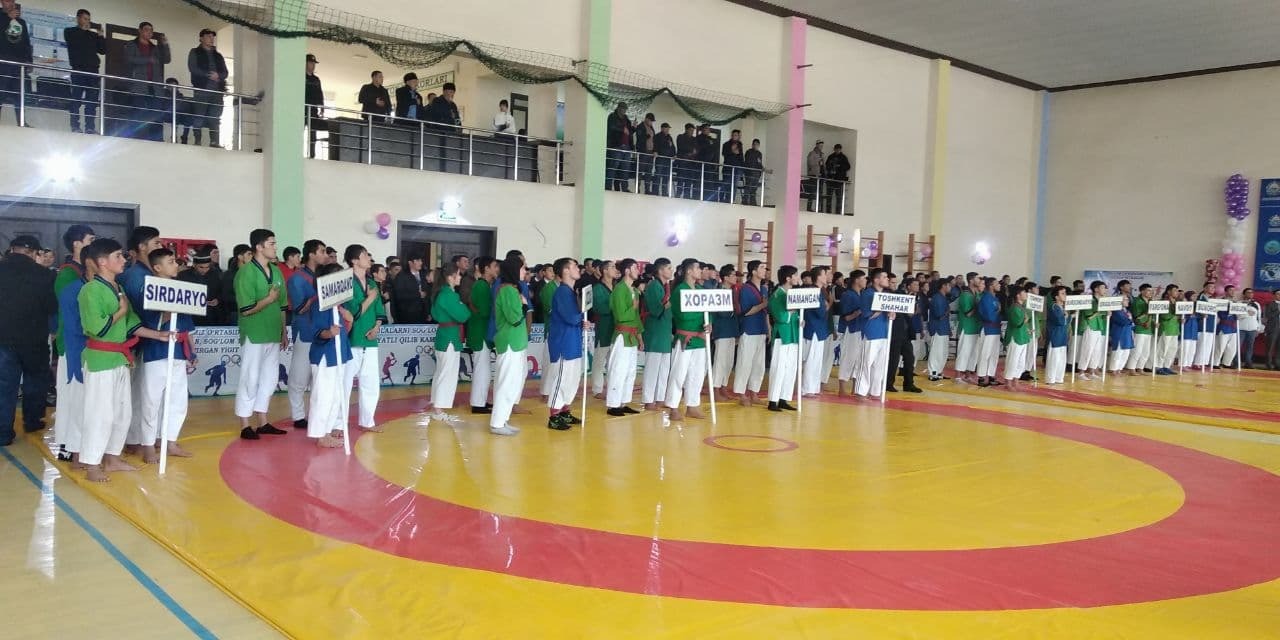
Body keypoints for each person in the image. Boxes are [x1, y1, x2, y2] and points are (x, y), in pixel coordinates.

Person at [77, 238, 173, 481]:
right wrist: (120, 311)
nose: (123, 260)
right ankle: (92, 464)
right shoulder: (90, 290)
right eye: (117, 256)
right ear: (102, 262)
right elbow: (97, 328)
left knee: (122, 412)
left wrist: (159, 335)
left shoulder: (118, 287)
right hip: (100, 359)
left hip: (119, 358)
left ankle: (112, 458)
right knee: (100, 413)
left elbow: (132, 325)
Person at [134, 248, 197, 462]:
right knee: (151, 400)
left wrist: (192, 351)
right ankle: (148, 445)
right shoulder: (148, 290)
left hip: (178, 351)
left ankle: (170, 441)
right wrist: (171, 310)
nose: (176, 265)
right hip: (156, 351)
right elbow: (149, 322)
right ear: (157, 267)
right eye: (171, 262)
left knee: (178, 400)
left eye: (175, 261)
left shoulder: (182, 290)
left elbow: (187, 328)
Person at [234, 229, 289, 440]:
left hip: (273, 332)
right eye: (271, 243)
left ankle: (263, 421)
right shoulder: (246, 272)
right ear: (259, 247)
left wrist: (283, 331)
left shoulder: (276, 271)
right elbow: (246, 309)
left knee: (270, 378)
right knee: (250, 378)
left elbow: (282, 305)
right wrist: (268, 299)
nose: (275, 247)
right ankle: (245, 424)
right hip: (254, 333)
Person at [0, 235, 56, 446]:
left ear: (12, 249)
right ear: (34, 253)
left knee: (4, 385)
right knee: (35, 381)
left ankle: (3, 433)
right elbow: (51, 306)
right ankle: (32, 421)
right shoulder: (44, 275)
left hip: (3, 337)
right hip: (34, 338)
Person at [304, 262, 350, 449]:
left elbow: (344, 331)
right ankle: (320, 434)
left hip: (340, 354)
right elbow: (316, 332)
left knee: (336, 395)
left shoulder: (340, 305)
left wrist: (347, 319)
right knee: (323, 396)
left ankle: (328, 430)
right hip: (325, 355)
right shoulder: (319, 305)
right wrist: (329, 333)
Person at [343, 245, 386, 431]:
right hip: (352, 338)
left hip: (370, 338)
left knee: (370, 383)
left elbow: (379, 311)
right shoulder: (345, 281)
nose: (368, 258)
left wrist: (376, 327)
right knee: (344, 383)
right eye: (364, 255)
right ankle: (338, 424)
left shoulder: (372, 283)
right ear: (354, 260)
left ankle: (367, 421)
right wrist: (369, 298)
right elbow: (352, 312)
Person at [285, 240, 324, 430]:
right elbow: (300, 308)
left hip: (324, 332)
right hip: (306, 331)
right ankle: (299, 416)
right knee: (299, 377)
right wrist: (320, 295)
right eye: (322, 251)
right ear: (311, 254)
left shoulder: (325, 276)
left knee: (320, 379)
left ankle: (318, 415)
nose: (325, 255)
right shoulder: (297, 278)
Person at [665, 259, 710, 420]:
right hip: (685, 337)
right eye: (698, 268)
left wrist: (708, 324)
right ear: (689, 271)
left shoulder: (700, 290)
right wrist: (700, 320)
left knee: (697, 373)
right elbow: (683, 315)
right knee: (679, 373)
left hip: (700, 339)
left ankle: (692, 405)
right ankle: (673, 407)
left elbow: (708, 311)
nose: (700, 271)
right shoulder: (680, 290)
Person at [489, 255, 528, 436]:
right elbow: (514, 318)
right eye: (522, 268)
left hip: (516, 342)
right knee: (506, 382)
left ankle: (503, 419)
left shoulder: (512, 290)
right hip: (510, 342)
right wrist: (524, 306)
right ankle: (497, 423)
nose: (525, 271)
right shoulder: (507, 291)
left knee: (512, 383)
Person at [546, 258, 586, 429]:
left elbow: (575, 319)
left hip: (573, 341)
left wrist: (582, 321)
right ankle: (554, 415)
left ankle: (564, 411)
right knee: (562, 378)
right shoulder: (562, 292)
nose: (578, 268)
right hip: (563, 342)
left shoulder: (571, 292)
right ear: (565, 271)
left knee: (572, 378)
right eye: (574, 266)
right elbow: (570, 317)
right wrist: (581, 316)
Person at [430, 263, 470, 412]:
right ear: (450, 277)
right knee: (447, 373)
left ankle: (437, 405)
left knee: (441, 372)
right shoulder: (448, 295)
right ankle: (439, 408)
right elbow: (463, 315)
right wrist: (461, 305)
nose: (460, 277)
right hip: (449, 338)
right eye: (458, 274)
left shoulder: (441, 293)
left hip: (445, 335)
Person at [605, 259, 642, 416]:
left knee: (630, 371)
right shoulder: (619, 290)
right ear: (627, 271)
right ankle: (613, 405)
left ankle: (623, 402)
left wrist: (640, 336)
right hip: (622, 335)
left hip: (632, 336)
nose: (638, 271)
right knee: (618, 370)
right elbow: (620, 316)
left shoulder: (634, 290)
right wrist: (633, 307)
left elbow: (637, 317)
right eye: (634, 268)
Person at [123, 22, 170, 141]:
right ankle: (136, 139)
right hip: (138, 85)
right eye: (147, 30)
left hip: (155, 87)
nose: (149, 32)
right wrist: (147, 59)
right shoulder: (131, 44)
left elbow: (167, 59)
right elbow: (129, 59)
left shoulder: (155, 48)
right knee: (138, 113)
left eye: (151, 30)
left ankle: (157, 141)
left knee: (156, 115)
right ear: (140, 30)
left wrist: (165, 45)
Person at [733, 260, 769, 405]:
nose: (764, 270)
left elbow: (766, 312)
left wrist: (768, 328)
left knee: (759, 364)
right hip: (749, 329)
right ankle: (741, 394)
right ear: (753, 272)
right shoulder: (746, 289)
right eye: (761, 267)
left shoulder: (764, 289)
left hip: (761, 328)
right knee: (745, 362)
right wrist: (763, 304)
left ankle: (754, 392)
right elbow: (746, 311)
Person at [640, 258, 673, 410]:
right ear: (660, 270)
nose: (671, 271)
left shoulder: (666, 286)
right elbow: (655, 309)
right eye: (668, 268)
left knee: (664, 368)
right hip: (655, 332)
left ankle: (660, 398)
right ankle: (648, 400)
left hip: (665, 331)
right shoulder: (653, 286)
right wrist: (666, 306)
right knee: (652, 368)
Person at [64, 9, 105, 133]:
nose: (87, 21)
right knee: (76, 99)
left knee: (92, 101)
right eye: (85, 19)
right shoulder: (70, 32)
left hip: (93, 71)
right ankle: (75, 126)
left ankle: (90, 127)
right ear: (78, 19)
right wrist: (83, 30)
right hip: (78, 70)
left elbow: (103, 50)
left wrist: (101, 36)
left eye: (89, 19)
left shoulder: (92, 35)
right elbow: (75, 42)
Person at [187, 28, 227, 146]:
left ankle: (214, 142)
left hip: (217, 91)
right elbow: (192, 68)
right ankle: (197, 141)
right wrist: (209, 75)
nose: (211, 38)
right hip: (201, 89)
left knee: (215, 117)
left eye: (212, 36)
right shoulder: (195, 52)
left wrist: (218, 76)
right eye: (208, 36)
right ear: (201, 38)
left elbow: (225, 72)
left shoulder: (218, 55)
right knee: (199, 116)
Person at [467, 257, 497, 413]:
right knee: (482, 369)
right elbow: (485, 311)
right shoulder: (482, 286)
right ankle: (478, 403)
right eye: (494, 266)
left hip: (481, 331)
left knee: (483, 369)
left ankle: (481, 400)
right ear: (486, 269)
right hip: (481, 333)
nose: (497, 269)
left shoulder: (484, 285)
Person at [855, 269, 891, 398]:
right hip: (871, 333)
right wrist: (881, 309)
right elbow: (866, 314)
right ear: (876, 280)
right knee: (866, 363)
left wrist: (891, 312)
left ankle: (875, 391)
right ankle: (860, 392)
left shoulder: (886, 295)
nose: (887, 279)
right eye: (884, 277)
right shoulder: (867, 294)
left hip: (884, 332)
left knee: (880, 365)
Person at [886, 275, 922, 393]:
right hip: (895, 332)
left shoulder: (908, 296)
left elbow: (910, 314)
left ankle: (909, 384)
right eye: (892, 282)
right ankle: (888, 383)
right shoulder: (893, 295)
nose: (917, 287)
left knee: (910, 358)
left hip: (905, 332)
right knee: (893, 359)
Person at [0, 0, 31, 125]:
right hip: (3, 62)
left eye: (12, 1)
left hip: (19, 63)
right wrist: (8, 18)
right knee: (1, 91)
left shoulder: (21, 22)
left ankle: (22, 122)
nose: (11, 4)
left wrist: (29, 60)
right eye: (8, 1)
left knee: (20, 94)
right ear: (2, 2)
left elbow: (26, 42)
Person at [800, 266, 830, 396]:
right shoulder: (813, 291)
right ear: (818, 277)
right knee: (811, 360)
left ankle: (814, 387)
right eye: (824, 274)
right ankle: (807, 389)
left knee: (817, 361)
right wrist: (826, 306)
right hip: (813, 329)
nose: (826, 277)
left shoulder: (819, 291)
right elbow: (820, 311)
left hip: (819, 329)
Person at [590, 259, 617, 398]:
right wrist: (617, 305)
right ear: (605, 270)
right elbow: (600, 308)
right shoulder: (597, 288)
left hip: (616, 329)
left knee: (614, 362)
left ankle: (612, 387)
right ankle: (597, 389)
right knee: (599, 361)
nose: (615, 269)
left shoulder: (617, 286)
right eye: (612, 267)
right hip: (604, 328)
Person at [711, 264, 738, 397]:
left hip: (731, 329)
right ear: (725, 278)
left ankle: (723, 386)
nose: (735, 278)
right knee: (720, 360)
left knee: (729, 361)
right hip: (722, 329)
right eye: (732, 275)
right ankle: (715, 388)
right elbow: (722, 312)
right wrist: (733, 308)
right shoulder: (719, 291)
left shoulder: (733, 291)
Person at [836, 270, 866, 394]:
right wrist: (858, 312)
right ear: (857, 280)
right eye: (863, 278)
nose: (865, 281)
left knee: (859, 359)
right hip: (851, 330)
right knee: (848, 358)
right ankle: (842, 388)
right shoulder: (848, 295)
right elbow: (846, 317)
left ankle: (855, 387)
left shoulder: (862, 294)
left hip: (861, 330)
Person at [179, 246, 222, 326]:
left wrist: (217, 300)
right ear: (194, 265)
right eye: (201, 267)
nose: (204, 270)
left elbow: (221, 292)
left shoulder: (215, 275)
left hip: (211, 316)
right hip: (190, 316)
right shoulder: (183, 276)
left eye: (207, 267)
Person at [954, 273, 983, 384]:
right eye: (977, 278)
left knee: (973, 353)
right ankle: (958, 377)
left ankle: (968, 375)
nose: (979, 280)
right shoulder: (965, 295)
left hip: (975, 327)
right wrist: (978, 305)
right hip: (966, 328)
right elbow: (968, 313)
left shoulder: (977, 294)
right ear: (971, 280)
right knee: (963, 352)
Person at [1001, 284, 1031, 390]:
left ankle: (1016, 381)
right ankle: (1008, 382)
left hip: (1022, 337)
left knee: (1021, 361)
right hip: (1015, 337)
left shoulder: (1021, 307)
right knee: (1012, 360)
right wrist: (1025, 320)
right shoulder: (1014, 308)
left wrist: (1027, 329)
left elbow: (1022, 324)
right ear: (1018, 295)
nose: (1026, 294)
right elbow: (1017, 323)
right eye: (1024, 292)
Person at [1076, 280, 1107, 380]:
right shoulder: (1090, 300)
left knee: (1097, 350)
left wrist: (1107, 312)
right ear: (1096, 289)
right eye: (1102, 288)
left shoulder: (1102, 301)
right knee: (1087, 349)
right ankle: (1081, 372)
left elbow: (1103, 315)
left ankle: (1092, 371)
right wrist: (1099, 311)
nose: (1105, 290)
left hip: (1099, 327)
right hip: (1090, 326)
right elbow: (1089, 316)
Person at [976, 277, 1003, 387]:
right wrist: (998, 311)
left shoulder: (995, 298)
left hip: (995, 329)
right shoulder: (986, 298)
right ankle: (981, 377)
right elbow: (989, 316)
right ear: (991, 286)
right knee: (985, 354)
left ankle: (991, 375)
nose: (999, 285)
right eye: (997, 283)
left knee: (994, 354)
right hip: (988, 329)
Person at [1125, 284, 1155, 374]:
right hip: (1140, 328)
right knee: (1137, 350)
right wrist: (1144, 320)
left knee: (1146, 351)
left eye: (1151, 291)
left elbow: (1152, 315)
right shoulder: (1137, 301)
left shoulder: (1151, 302)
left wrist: (1153, 322)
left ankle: (1140, 367)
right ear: (1142, 291)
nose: (1150, 292)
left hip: (1149, 329)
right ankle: (1132, 368)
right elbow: (1136, 316)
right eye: (1148, 290)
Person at [926, 278, 951, 381]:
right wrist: (947, 311)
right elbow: (939, 315)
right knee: (936, 352)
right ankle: (933, 372)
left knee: (943, 352)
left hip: (943, 328)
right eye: (948, 285)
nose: (950, 288)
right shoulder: (937, 298)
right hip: (938, 329)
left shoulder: (943, 298)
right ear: (943, 286)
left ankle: (939, 371)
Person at [605, 101, 633, 191]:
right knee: (613, 167)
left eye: (625, 109)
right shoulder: (612, 116)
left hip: (626, 147)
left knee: (625, 169)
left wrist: (634, 128)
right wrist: (622, 129)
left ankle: (625, 188)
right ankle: (608, 187)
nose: (624, 110)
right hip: (616, 146)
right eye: (623, 108)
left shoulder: (626, 119)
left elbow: (629, 132)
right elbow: (611, 127)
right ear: (618, 108)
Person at [1154, 285, 1181, 375]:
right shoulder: (1163, 302)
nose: (1177, 292)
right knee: (1162, 349)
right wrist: (1174, 312)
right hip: (1166, 328)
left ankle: (1167, 366)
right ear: (1169, 291)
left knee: (1172, 349)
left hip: (1175, 329)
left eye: (1177, 290)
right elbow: (1164, 315)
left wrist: (1180, 318)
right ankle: (1158, 367)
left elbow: (1179, 315)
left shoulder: (1177, 302)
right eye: (1175, 290)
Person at [1044, 286, 1069, 384]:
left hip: (1062, 336)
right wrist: (1066, 316)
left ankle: (1059, 378)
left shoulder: (1063, 308)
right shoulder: (1054, 307)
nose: (1065, 295)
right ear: (1057, 297)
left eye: (1065, 293)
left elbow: (1066, 321)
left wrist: (1068, 316)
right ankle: (1051, 379)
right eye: (1062, 293)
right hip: (1055, 336)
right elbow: (1060, 321)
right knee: (1054, 358)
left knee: (1062, 358)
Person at [392, 254, 427, 323]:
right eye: (418, 261)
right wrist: (418, 295)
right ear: (410, 262)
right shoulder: (401, 276)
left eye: (421, 260)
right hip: (407, 314)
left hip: (423, 314)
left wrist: (428, 311)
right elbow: (399, 295)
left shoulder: (424, 274)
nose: (421, 263)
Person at [1107, 295, 1135, 374]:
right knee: (1118, 352)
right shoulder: (1116, 311)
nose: (1127, 301)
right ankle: (1113, 369)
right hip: (1119, 334)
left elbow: (1132, 324)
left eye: (1127, 299)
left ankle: (1119, 369)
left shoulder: (1127, 311)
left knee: (1126, 353)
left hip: (1127, 334)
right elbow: (1123, 322)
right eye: (1125, 299)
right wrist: (1130, 320)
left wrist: (1130, 321)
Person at [1214, 285, 1239, 368]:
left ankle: (1227, 363)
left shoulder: (1236, 303)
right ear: (1226, 291)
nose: (1233, 292)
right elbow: (1219, 313)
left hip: (1233, 327)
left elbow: (1239, 314)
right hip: (1223, 326)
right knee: (1220, 346)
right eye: (1231, 290)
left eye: (1234, 290)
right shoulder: (1221, 302)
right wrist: (1230, 312)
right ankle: (1215, 363)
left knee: (1232, 347)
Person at [1195, 283, 1217, 370]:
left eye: (1214, 287)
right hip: (1202, 325)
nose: (1213, 288)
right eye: (1210, 287)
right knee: (1201, 345)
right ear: (1204, 288)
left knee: (1208, 346)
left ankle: (1204, 362)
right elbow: (1196, 311)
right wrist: (1201, 315)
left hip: (1211, 325)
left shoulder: (1213, 300)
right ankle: (1197, 362)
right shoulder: (1200, 299)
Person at [634, 113, 657, 194]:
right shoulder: (640, 126)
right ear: (646, 119)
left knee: (649, 172)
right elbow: (639, 138)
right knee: (640, 171)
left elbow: (654, 140)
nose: (651, 122)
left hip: (650, 152)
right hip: (643, 152)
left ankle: (647, 189)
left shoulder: (651, 128)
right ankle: (637, 189)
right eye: (651, 121)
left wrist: (654, 150)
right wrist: (647, 136)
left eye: (652, 121)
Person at [824, 143, 851, 213]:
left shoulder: (843, 157)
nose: (837, 150)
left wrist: (839, 166)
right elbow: (826, 166)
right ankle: (828, 211)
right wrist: (831, 167)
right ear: (834, 149)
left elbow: (848, 166)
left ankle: (838, 212)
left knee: (839, 197)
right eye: (836, 149)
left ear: (840, 149)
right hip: (830, 179)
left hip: (839, 180)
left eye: (838, 149)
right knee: (829, 196)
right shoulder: (830, 156)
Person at [1239, 288, 1261, 368]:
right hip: (1241, 328)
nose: (1250, 294)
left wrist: (1258, 328)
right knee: (1238, 346)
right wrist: (1247, 313)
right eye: (1248, 292)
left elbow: (1258, 317)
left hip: (1252, 328)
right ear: (1244, 294)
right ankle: (1236, 362)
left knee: (1250, 347)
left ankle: (1248, 363)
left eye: (1252, 292)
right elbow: (1237, 316)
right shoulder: (1239, 303)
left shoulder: (1256, 304)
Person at [675, 123, 698, 199]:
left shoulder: (694, 139)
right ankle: (678, 195)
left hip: (691, 163)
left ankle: (686, 196)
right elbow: (681, 146)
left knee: (689, 180)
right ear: (686, 129)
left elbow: (697, 149)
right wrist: (691, 150)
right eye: (691, 130)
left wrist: (691, 152)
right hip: (682, 162)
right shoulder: (680, 137)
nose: (692, 132)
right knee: (680, 179)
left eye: (693, 130)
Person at [653, 123, 676, 196]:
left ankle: (664, 192)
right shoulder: (657, 136)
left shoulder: (669, 137)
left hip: (668, 160)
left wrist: (674, 154)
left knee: (666, 177)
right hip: (660, 158)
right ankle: (655, 192)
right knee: (658, 175)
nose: (668, 129)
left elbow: (673, 147)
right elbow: (655, 145)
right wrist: (655, 151)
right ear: (662, 128)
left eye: (668, 128)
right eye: (666, 128)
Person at [1181, 290, 1201, 371]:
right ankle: (1183, 364)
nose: (1195, 297)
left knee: (1192, 349)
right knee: (1185, 348)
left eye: (1196, 296)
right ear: (1189, 297)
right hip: (1187, 327)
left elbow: (1199, 317)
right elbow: (1183, 316)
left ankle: (1189, 364)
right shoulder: (1185, 305)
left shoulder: (1197, 306)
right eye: (1193, 296)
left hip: (1194, 328)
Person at [743, 139, 766, 206]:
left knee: (754, 188)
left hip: (757, 173)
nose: (755, 146)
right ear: (752, 145)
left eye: (757, 144)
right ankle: (745, 201)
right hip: (749, 173)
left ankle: (753, 202)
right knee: (748, 187)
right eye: (754, 144)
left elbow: (759, 163)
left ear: (759, 145)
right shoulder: (748, 152)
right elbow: (748, 162)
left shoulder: (759, 154)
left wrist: (762, 169)